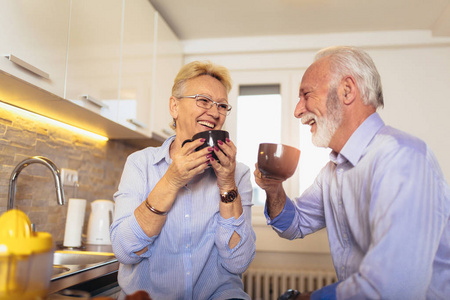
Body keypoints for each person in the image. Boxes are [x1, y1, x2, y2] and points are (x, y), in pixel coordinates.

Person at [254, 46, 450, 299]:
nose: (297, 111)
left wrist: (305, 298)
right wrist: (273, 189)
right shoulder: (333, 171)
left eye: (306, 95)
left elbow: (393, 287)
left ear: (347, 90)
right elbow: (294, 224)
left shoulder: (402, 157)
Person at [111, 61, 256, 300]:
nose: (214, 111)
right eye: (203, 100)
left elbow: (238, 262)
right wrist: (171, 180)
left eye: (221, 105)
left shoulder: (237, 173)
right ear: (174, 106)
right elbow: (125, 250)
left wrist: (227, 184)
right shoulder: (140, 164)